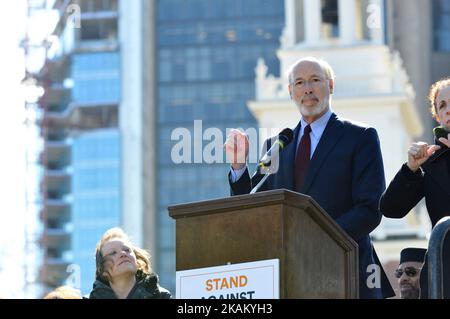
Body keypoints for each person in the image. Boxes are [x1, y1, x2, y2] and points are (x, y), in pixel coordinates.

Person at [224, 56, 394, 299]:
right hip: (291, 279)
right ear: (291, 92)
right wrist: (239, 165)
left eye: (315, 80)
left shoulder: (360, 137)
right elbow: (251, 210)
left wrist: (317, 240)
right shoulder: (276, 146)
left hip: (347, 272)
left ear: (331, 85)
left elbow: (369, 209)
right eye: (300, 83)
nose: (308, 89)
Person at [380, 77, 450, 299]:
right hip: (443, 278)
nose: (448, 109)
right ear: (437, 116)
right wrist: (411, 169)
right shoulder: (432, 160)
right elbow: (390, 208)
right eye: (442, 105)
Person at [89, 227, 171, 299]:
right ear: (102, 270)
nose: (123, 253)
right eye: (113, 253)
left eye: (127, 250)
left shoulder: (162, 297)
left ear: (136, 260)